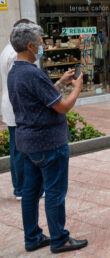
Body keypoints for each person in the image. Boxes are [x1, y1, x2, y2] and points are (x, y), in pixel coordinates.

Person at [8, 23, 88, 253]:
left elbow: (39, 99)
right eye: (41, 43)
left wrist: (61, 83)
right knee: (54, 192)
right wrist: (77, 88)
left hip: (27, 143)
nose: (43, 46)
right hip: (49, 144)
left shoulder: (16, 72)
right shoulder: (33, 73)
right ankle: (59, 239)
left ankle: (32, 237)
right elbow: (62, 107)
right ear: (31, 45)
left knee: (30, 193)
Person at [0, 19, 33, 201]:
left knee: (16, 148)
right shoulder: (15, 54)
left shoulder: (7, 49)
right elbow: (19, 84)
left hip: (11, 105)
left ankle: (20, 186)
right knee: (20, 149)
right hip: (16, 107)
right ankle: (21, 188)